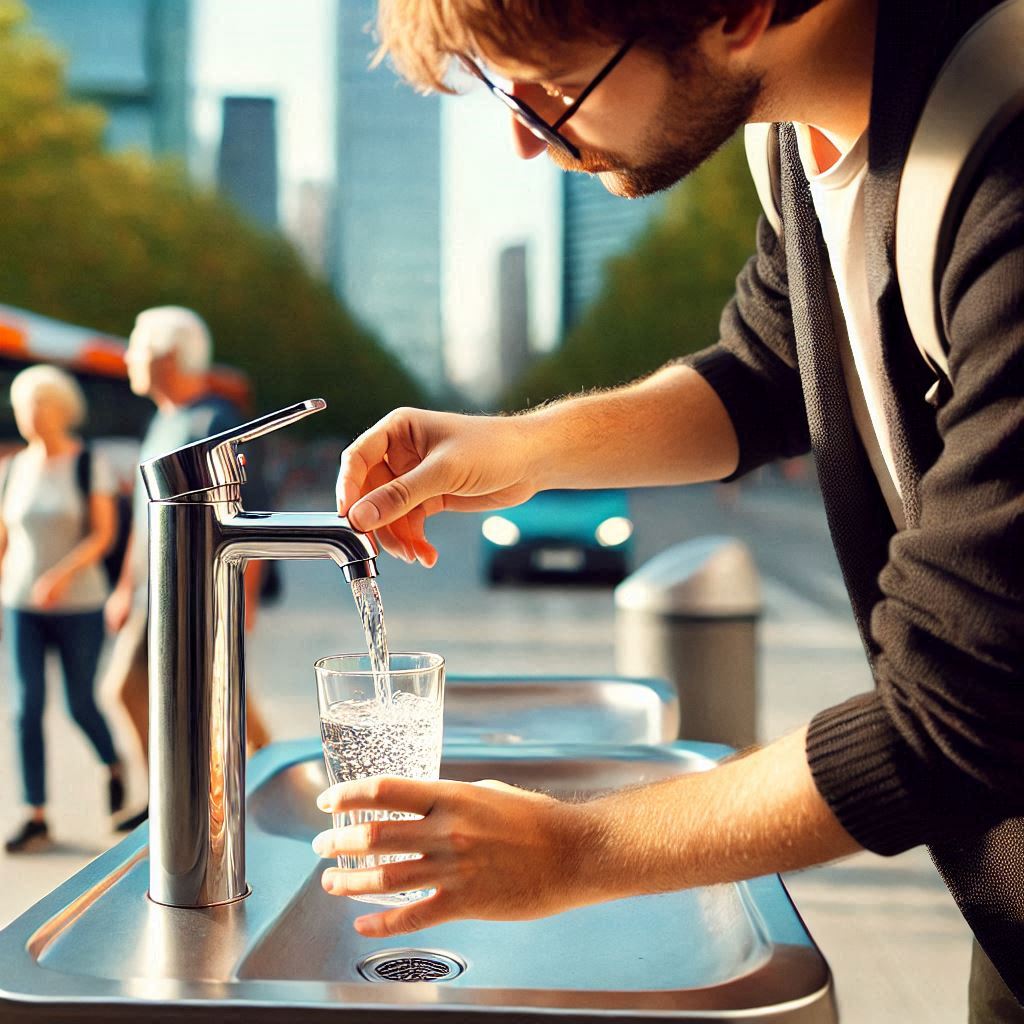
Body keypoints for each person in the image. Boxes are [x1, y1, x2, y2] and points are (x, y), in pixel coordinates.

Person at [319, 1, 1024, 1019]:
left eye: (558, 91)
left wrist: (571, 849)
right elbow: (769, 372)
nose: (527, 139)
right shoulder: (799, 128)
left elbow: (952, 712)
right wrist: (520, 448)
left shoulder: (1004, 166)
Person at [103, 306, 271, 831]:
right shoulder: (163, 420)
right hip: (157, 587)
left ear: (167, 355)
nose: (128, 357)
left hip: (200, 586)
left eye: (136, 345)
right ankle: (171, 796)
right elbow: (143, 516)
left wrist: (243, 595)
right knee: (134, 687)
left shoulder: (215, 421)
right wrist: (127, 587)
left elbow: (248, 512)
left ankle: (264, 777)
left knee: (219, 697)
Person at [1, 366, 125, 852]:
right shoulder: (13, 467)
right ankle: (36, 814)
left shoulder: (86, 463)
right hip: (20, 603)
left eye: (37, 406)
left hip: (79, 603)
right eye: (22, 407)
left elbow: (103, 534)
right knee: (25, 707)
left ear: (59, 409)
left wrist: (62, 574)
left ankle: (112, 766)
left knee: (80, 703)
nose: (28, 416)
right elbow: (7, 536)